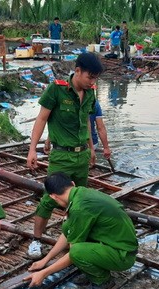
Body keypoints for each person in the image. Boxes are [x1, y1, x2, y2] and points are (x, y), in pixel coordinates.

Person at [25, 53, 103, 260]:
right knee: (49, 200)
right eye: (90, 77)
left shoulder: (90, 93)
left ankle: (72, 236)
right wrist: (33, 149)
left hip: (82, 156)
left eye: (95, 78)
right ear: (77, 71)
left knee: (79, 200)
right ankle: (37, 240)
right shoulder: (56, 89)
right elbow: (42, 119)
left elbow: (86, 121)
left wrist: (91, 148)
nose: (92, 81)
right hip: (61, 156)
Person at [24, 172, 138, 289]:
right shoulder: (81, 193)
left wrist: (43, 273)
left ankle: (103, 280)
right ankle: (94, 268)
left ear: (53, 197)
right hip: (118, 244)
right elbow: (68, 233)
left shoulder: (79, 208)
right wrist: (45, 260)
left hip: (123, 256)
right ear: (72, 184)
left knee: (77, 251)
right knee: (68, 225)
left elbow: (73, 254)